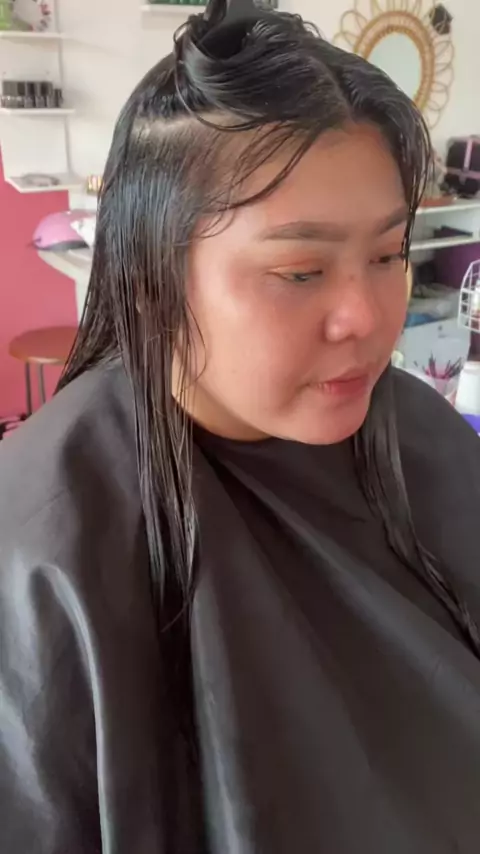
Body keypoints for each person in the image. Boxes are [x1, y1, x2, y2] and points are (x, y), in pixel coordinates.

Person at [1, 2, 480, 852]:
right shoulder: (43, 547)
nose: (367, 318)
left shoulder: (422, 438)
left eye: (387, 255)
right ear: (149, 277)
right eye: (299, 271)